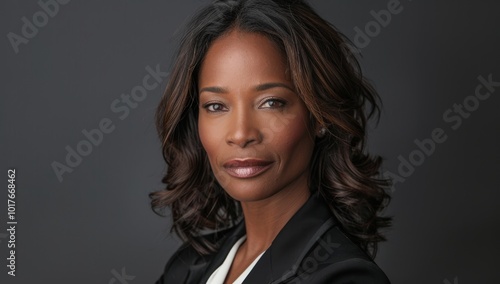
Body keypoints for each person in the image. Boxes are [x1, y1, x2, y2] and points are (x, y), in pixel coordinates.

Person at [150, 0, 392, 283]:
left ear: (320, 117)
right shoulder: (186, 267)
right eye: (216, 106)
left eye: (271, 102)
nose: (240, 134)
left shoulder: (344, 277)